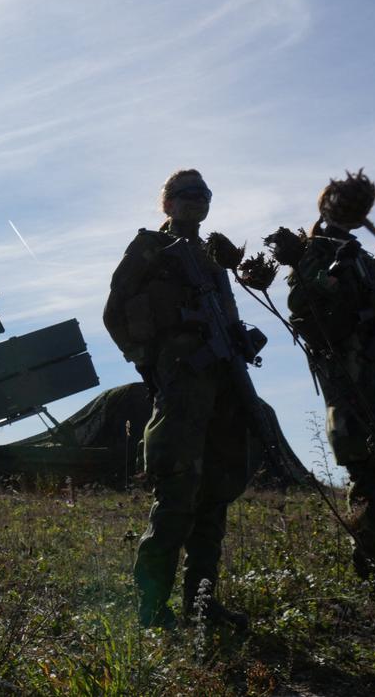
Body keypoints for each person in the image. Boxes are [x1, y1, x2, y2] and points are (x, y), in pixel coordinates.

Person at [103, 169, 253, 630]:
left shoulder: (212, 258)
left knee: (215, 498)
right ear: (166, 203)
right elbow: (114, 315)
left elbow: (226, 315)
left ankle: (203, 604)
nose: (196, 202)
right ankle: (152, 610)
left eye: (204, 196)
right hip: (182, 389)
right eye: (185, 195)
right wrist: (151, 365)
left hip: (224, 386)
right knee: (176, 497)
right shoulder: (148, 250)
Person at [286, 205, 375, 607]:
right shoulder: (316, 253)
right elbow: (302, 300)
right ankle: (373, 572)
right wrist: (332, 273)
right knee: (368, 477)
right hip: (351, 384)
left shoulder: (368, 259)